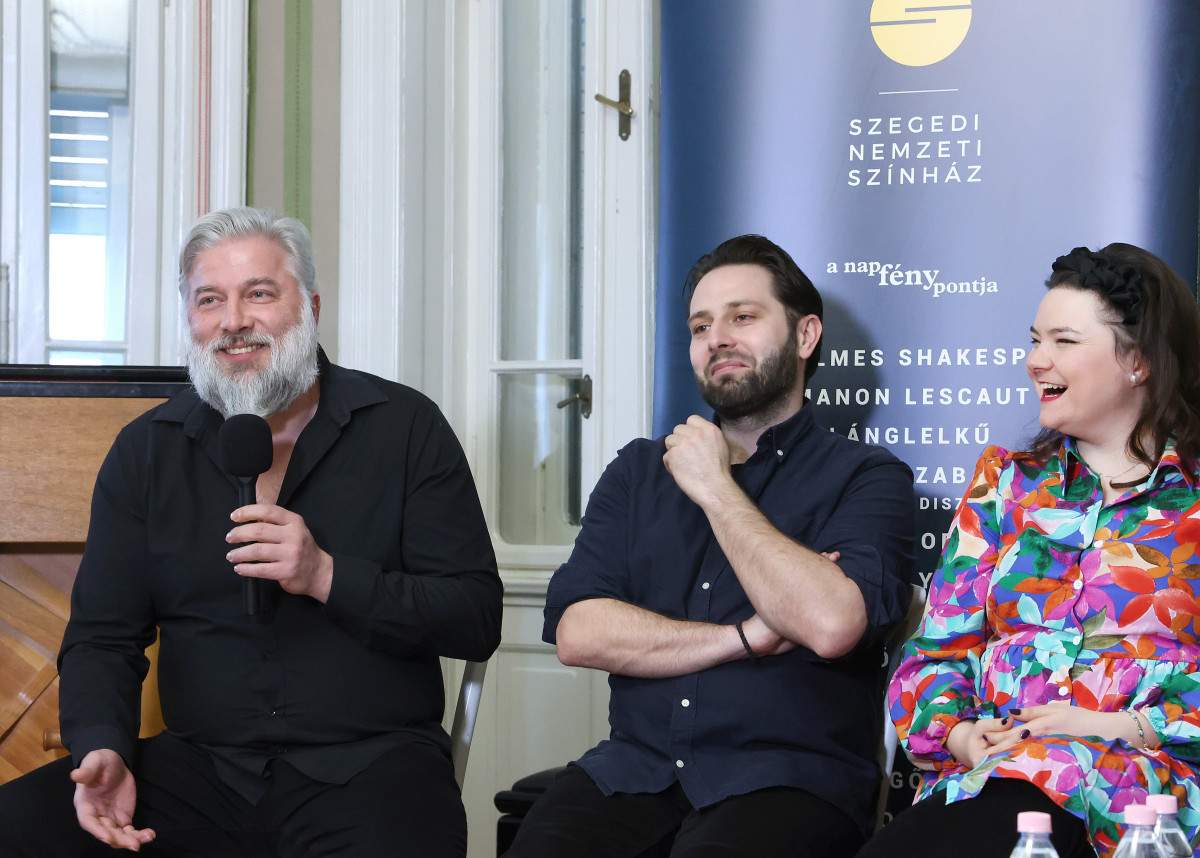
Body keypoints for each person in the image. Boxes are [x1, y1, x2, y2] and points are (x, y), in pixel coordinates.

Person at [0, 207, 503, 857]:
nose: (233, 320)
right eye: (210, 299)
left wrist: (326, 576)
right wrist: (102, 744)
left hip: (371, 769)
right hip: (201, 771)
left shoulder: (405, 427)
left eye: (259, 293)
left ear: (311, 307)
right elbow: (103, 636)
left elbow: (474, 619)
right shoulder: (147, 450)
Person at [504, 234, 916, 858]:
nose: (717, 338)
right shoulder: (640, 472)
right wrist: (746, 636)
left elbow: (831, 624)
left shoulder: (866, 476)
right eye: (701, 326)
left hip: (789, 782)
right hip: (633, 772)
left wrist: (716, 488)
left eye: (742, 317)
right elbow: (578, 632)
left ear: (805, 336)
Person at [857, 243, 1200, 858]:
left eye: (1064, 341)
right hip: (991, 780)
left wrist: (1114, 727)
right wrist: (962, 735)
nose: (1036, 360)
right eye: (1036, 340)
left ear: (1139, 360)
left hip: (1148, 792)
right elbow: (933, 655)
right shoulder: (1004, 484)